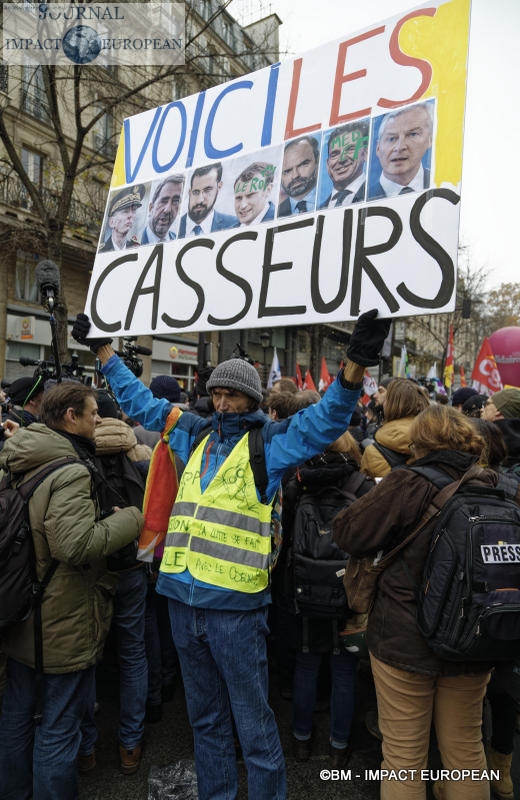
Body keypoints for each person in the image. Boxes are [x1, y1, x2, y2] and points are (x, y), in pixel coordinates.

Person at [71, 308, 391, 800]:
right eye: (216, 392)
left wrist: (356, 361)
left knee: (254, 726)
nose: (221, 402)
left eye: (232, 393)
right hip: (181, 600)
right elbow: (139, 402)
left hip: (235, 614)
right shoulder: (194, 432)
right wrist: (103, 351)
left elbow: (327, 418)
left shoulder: (272, 444)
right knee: (205, 720)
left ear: (253, 398)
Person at [333, 404, 501, 800]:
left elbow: (348, 532)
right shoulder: (495, 485)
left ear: (419, 441)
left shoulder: (407, 481)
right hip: (472, 639)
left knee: (404, 759)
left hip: (404, 639)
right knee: (466, 753)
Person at [0, 382, 143, 800]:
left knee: (17, 716)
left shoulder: (18, 455)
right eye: (93, 412)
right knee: (58, 726)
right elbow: (73, 545)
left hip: (18, 607)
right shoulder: (71, 470)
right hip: (60, 617)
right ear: (71, 417)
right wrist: (130, 519)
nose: (99, 419)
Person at [78, 389, 151, 775]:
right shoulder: (140, 454)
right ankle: (130, 743)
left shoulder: (76, 455)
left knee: (87, 656)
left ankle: (87, 748)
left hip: (91, 568)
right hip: (133, 567)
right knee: (133, 653)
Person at [361, 378, 430, 478]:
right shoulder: (440, 441)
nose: (375, 395)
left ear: (391, 405)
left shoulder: (372, 453)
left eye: (383, 393)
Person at [367, 101, 434, 200]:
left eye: (412, 134)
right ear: (378, 148)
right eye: (391, 139)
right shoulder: (359, 197)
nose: (399, 147)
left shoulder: (443, 183)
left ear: (429, 140)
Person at [178, 163, 239, 237]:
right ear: (189, 193)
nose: (200, 200)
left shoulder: (234, 224)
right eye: (196, 192)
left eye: (207, 190)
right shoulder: (173, 229)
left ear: (219, 186)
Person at [320, 120, 369, 208]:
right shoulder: (320, 208)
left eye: (350, 149)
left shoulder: (378, 194)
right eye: (335, 154)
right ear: (328, 164)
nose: (342, 159)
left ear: (365, 154)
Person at [278, 135, 320, 216]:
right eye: (287, 171)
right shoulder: (276, 214)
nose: (295, 175)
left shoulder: (333, 200)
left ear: (317, 161)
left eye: (303, 164)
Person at [99, 185, 145, 252]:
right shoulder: (102, 251)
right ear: (112, 222)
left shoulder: (137, 248)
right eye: (125, 211)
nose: (130, 215)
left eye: (134, 210)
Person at [140, 175, 184, 244]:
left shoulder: (179, 241)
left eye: (175, 201)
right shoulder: (135, 242)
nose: (168, 209)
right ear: (151, 208)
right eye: (164, 201)